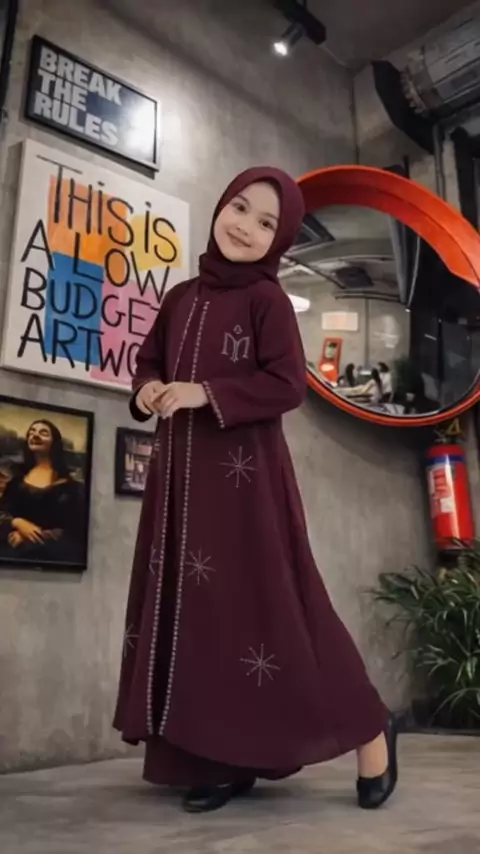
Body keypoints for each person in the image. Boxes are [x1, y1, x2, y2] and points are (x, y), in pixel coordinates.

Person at [113, 167, 398, 814]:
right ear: (221, 206)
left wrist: (205, 393)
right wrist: (147, 389)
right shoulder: (181, 297)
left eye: (266, 222)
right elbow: (149, 361)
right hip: (178, 484)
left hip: (247, 484)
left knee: (283, 607)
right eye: (239, 208)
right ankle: (218, 757)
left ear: (281, 238)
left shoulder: (267, 300)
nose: (245, 226)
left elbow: (287, 385)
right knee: (201, 615)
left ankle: (371, 726)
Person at [0, 420, 84, 564]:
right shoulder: (16, 480)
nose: (35, 435)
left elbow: (74, 529)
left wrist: (29, 536)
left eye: (43, 433)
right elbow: (2, 511)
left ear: (54, 443)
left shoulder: (70, 487)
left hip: (53, 558)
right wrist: (17, 522)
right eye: (32, 432)